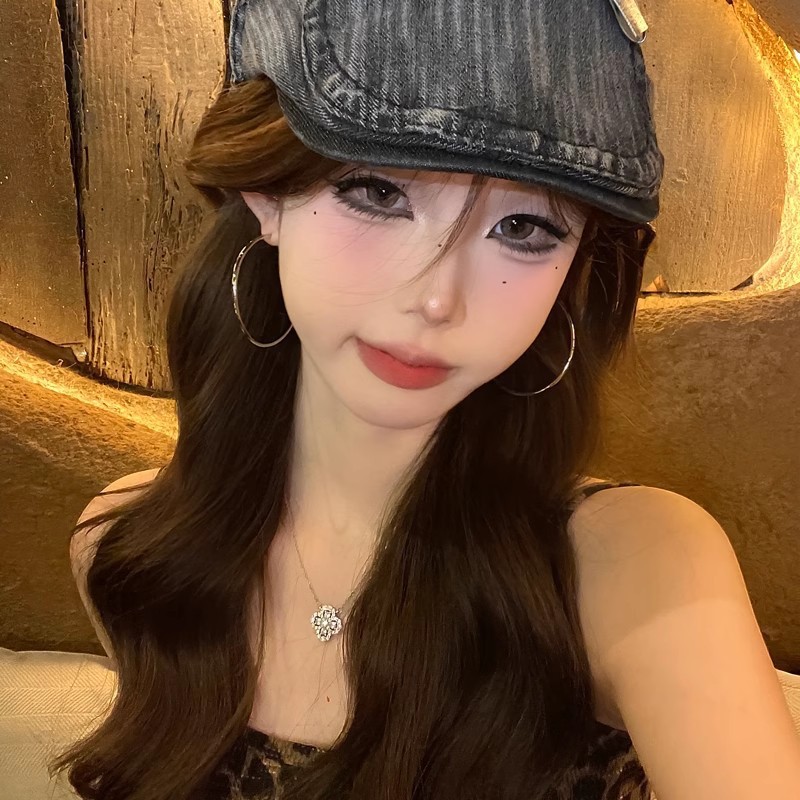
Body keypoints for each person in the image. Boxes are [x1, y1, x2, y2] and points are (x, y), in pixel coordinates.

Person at [55, 1, 800, 799]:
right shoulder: (131, 555)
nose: (438, 299)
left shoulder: (636, 568)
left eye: (525, 229)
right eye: (377, 192)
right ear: (267, 194)